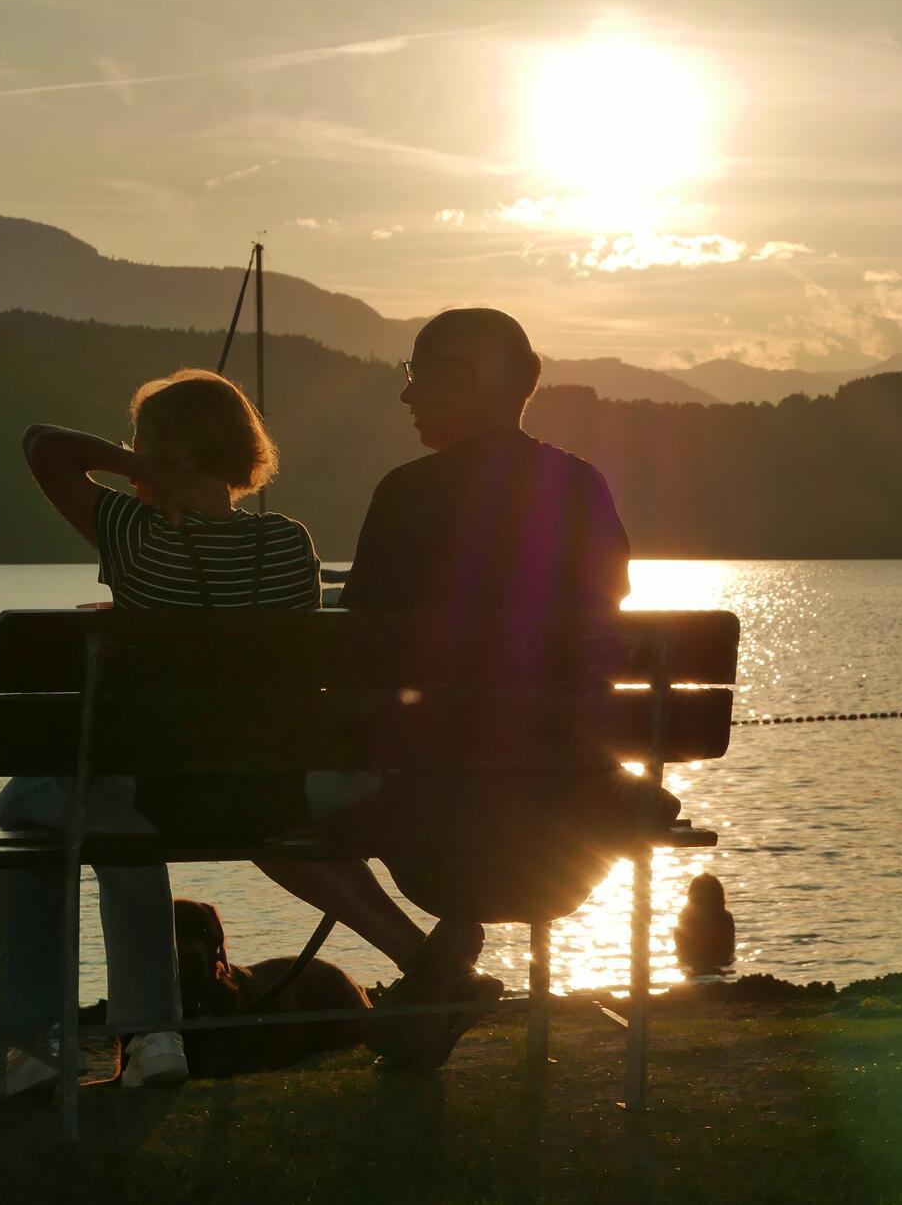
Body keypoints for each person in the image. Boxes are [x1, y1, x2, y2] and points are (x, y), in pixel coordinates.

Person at [257, 307, 639, 1067]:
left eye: (415, 375)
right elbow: (603, 613)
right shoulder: (583, 487)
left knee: (261, 812)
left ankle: (427, 965)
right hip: (572, 815)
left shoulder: (407, 493)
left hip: (433, 822)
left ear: (465, 380)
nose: (404, 398)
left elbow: (360, 658)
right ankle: (438, 969)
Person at [0, 369, 321, 1096]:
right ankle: (155, 1039)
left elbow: (42, 444)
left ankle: (40, 1047)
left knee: (27, 817)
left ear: (160, 454)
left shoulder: (133, 535)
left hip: (149, 785)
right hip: (250, 787)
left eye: (140, 445)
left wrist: (147, 477)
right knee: (102, 818)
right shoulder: (289, 544)